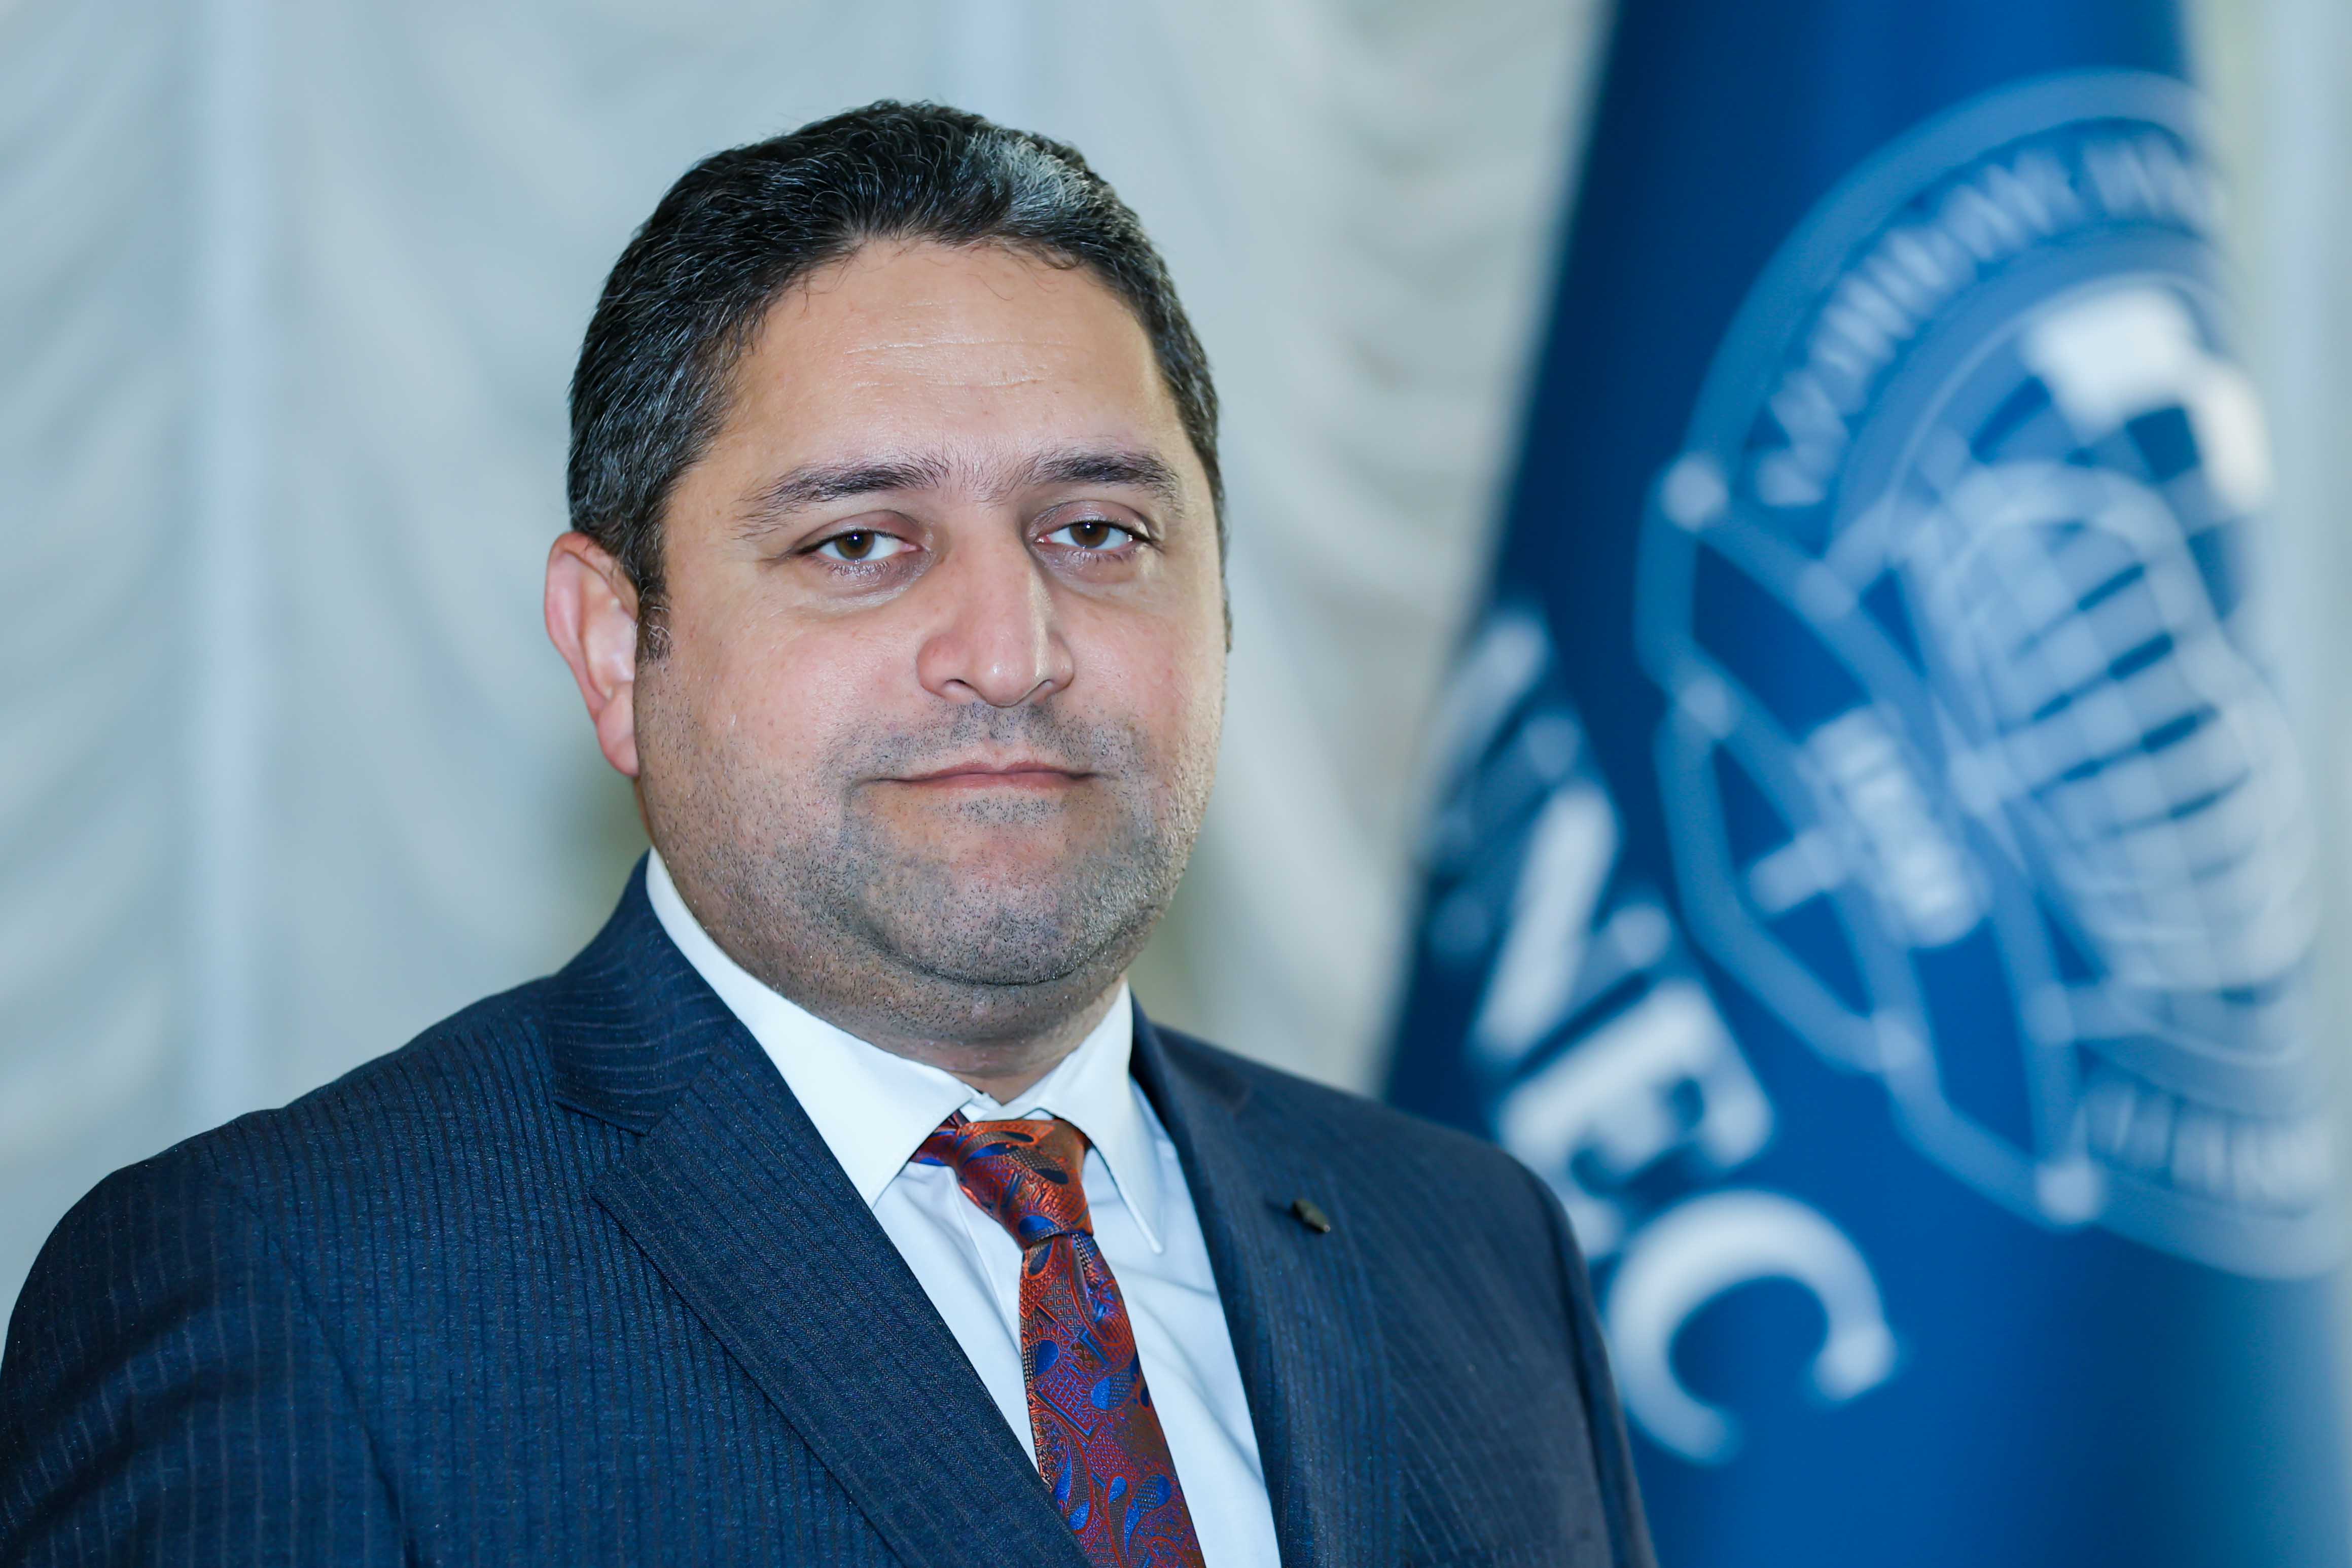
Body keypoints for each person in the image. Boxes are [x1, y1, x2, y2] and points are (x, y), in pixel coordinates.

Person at [0, 102, 1652, 1567]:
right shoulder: (296, 1288)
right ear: (615, 648)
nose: (1011, 651)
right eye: (861, 542)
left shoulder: (1475, 1249)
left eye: (1097, 530)